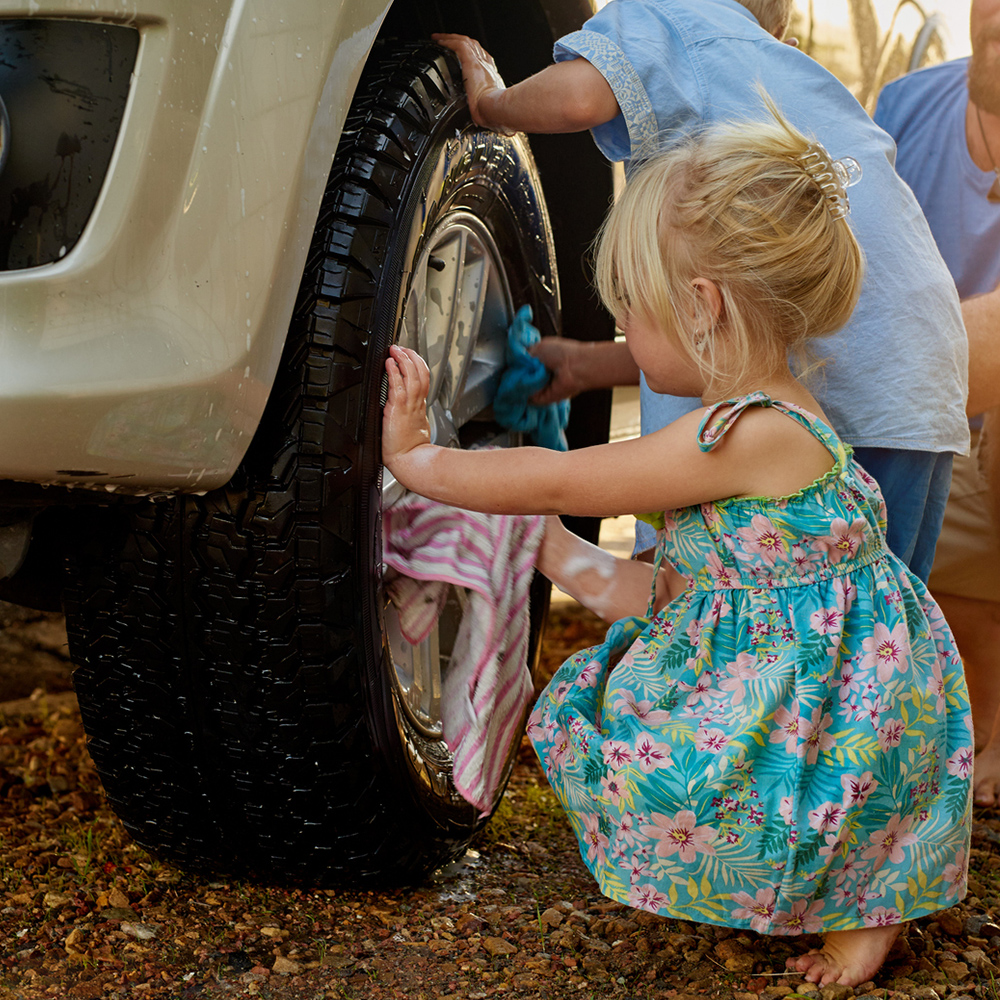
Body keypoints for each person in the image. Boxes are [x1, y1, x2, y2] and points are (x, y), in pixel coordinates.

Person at [382, 107, 972, 989]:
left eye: (631, 314)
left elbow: (564, 481)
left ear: (702, 307)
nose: (625, 335)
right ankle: (848, 896)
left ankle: (867, 917)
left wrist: (418, 459)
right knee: (780, 789)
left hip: (844, 695)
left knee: (777, 795)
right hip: (813, 664)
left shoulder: (747, 433)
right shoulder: (762, 422)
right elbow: (683, 593)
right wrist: (546, 552)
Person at [433, 0, 969, 585]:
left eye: (629, 302)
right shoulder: (788, 71)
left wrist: (491, 103)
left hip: (860, 372)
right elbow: (738, 332)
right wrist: (588, 366)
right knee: (864, 605)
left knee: (685, 577)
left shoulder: (669, 15)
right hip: (919, 378)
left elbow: (579, 98)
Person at [873, 0, 1000, 807]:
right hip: (943, 406)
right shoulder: (906, 107)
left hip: (960, 382)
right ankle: (987, 716)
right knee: (910, 467)